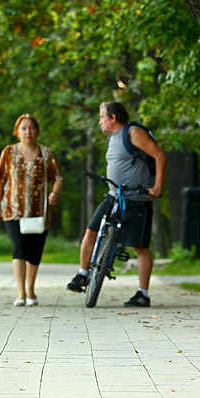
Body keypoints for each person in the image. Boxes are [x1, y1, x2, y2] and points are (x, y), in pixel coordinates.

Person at [66, 101, 167, 307]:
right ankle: (83, 274)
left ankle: (143, 294)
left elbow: (159, 155)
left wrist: (157, 187)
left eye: (102, 117)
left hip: (136, 197)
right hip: (114, 195)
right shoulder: (112, 138)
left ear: (113, 118)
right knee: (90, 233)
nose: (100, 122)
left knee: (140, 247)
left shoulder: (133, 133)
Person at [0, 114, 64, 307]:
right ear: (17, 132)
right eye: (23, 128)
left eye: (31, 128)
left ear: (37, 131)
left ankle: (31, 289)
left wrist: (55, 192)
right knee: (19, 247)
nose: (27, 132)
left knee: (34, 251)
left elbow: (58, 177)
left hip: (38, 211)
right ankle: (20, 292)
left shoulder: (47, 153)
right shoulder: (8, 152)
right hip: (12, 208)